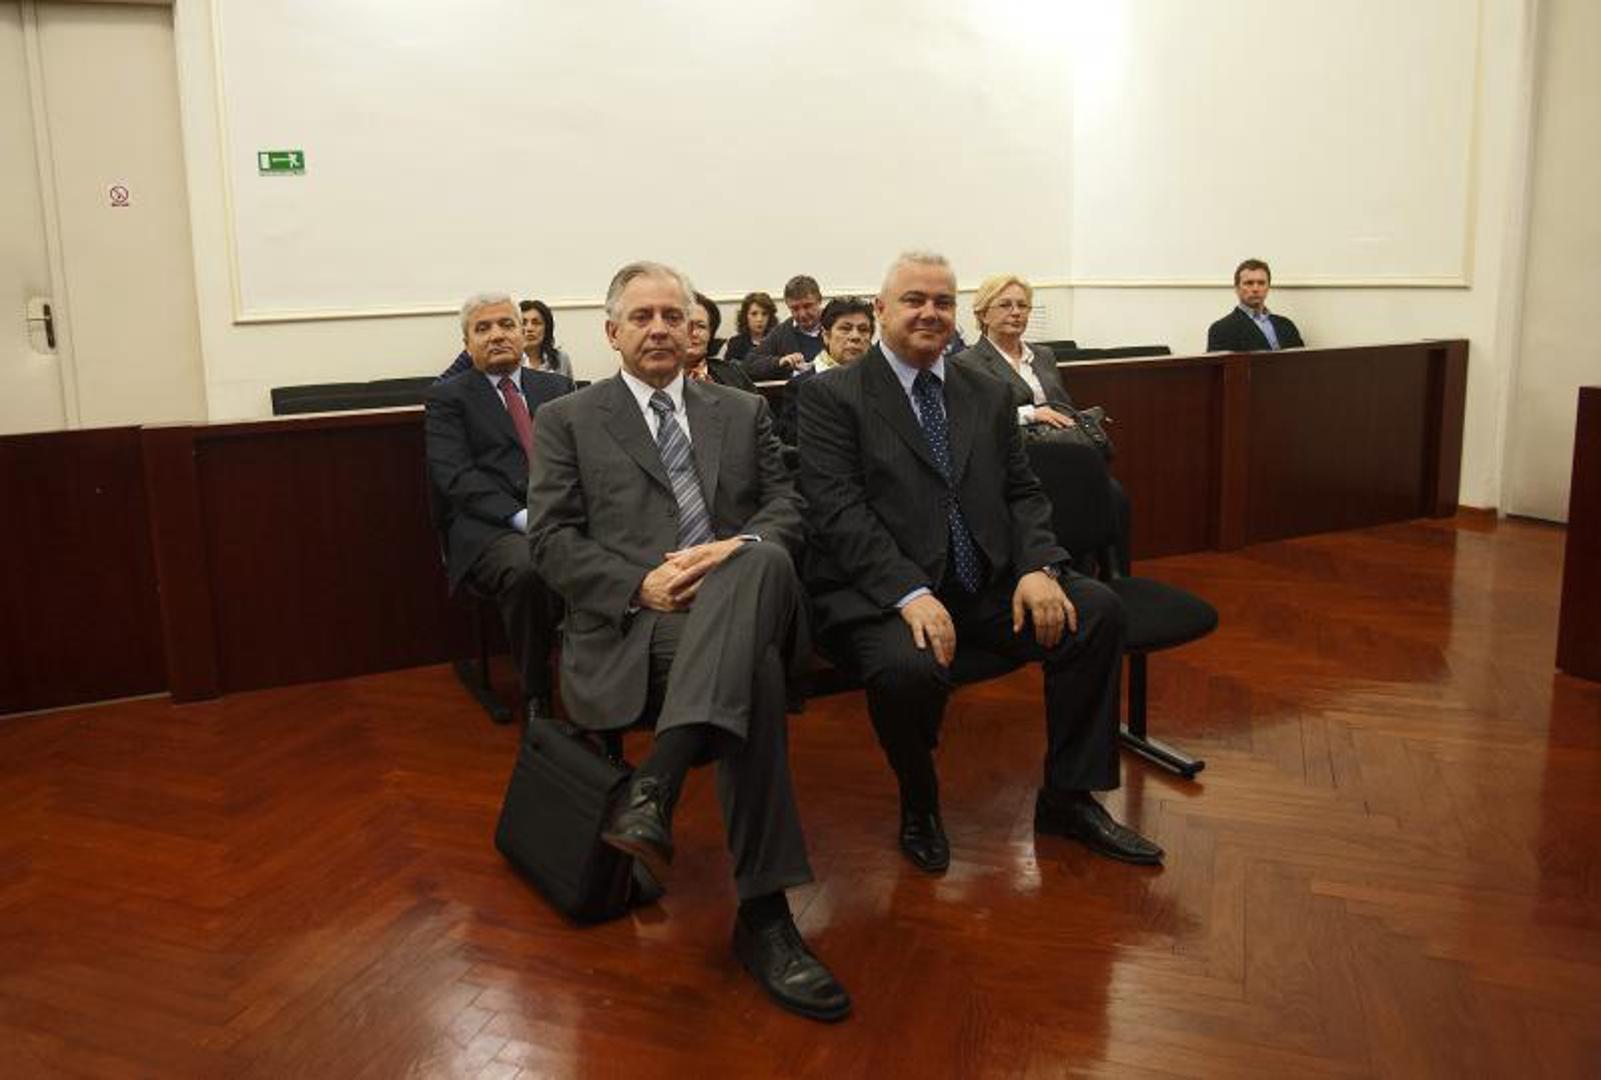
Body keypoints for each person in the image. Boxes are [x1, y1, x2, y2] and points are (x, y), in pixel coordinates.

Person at [527, 261, 850, 1022]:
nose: (659, 329)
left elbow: (786, 506)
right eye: (641, 317)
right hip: (639, 626)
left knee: (760, 555)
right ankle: (764, 918)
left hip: (746, 600)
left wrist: (734, 549)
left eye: (672, 315)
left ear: (694, 327)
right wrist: (638, 584)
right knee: (756, 676)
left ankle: (655, 786)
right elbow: (550, 542)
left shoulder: (741, 409)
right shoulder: (567, 419)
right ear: (611, 333)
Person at [798, 252, 1162, 875]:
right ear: (881, 309)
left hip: (984, 582)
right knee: (907, 668)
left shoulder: (986, 391)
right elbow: (838, 512)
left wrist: (1039, 567)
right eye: (914, 300)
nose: (929, 313)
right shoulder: (832, 395)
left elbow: (1022, 490)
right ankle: (920, 804)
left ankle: (1069, 797)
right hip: (882, 591)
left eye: (942, 302)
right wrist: (909, 592)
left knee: (1096, 611)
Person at [426, 292, 574, 722]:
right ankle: (538, 694)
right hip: (491, 526)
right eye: (483, 328)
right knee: (529, 569)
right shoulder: (447, 398)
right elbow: (455, 477)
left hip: (560, 513)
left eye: (507, 325)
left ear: (523, 334)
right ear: (467, 343)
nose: (497, 335)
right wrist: (523, 517)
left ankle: (616, 675)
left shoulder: (556, 388)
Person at [952, 274, 1080, 436]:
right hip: (1007, 446)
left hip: (1060, 442)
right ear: (983, 315)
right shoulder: (966, 362)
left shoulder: (1043, 355)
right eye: (1005, 305)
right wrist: (1030, 415)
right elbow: (974, 418)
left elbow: (1063, 405)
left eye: (1022, 305)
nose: (1016, 312)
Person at [775, 296, 874, 445]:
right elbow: (794, 445)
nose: (855, 337)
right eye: (845, 329)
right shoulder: (801, 386)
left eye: (863, 330)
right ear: (826, 336)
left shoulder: (882, 381)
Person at [1206, 258, 1305, 352]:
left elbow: (1301, 360)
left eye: (1261, 283)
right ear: (1237, 288)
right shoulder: (1221, 330)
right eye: (1249, 283)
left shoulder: (1287, 325)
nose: (1255, 289)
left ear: (1268, 287)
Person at [742, 275, 826, 381]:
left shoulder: (836, 326)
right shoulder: (782, 332)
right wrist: (779, 362)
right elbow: (749, 364)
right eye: (795, 308)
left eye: (807, 306)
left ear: (819, 300)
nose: (802, 314)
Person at [685, 292, 757, 392]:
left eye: (701, 326)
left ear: (711, 333)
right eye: (686, 326)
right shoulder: (662, 377)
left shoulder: (734, 374)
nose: (694, 333)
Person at [519, 299, 573, 378]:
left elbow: (569, 385)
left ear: (547, 328)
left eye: (536, 323)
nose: (529, 329)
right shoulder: (509, 360)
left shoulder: (561, 358)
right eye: (523, 323)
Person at [724, 291, 778, 365]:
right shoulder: (735, 344)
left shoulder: (777, 343)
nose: (759, 319)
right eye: (754, 314)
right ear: (745, 316)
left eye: (764, 314)